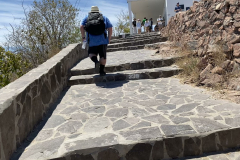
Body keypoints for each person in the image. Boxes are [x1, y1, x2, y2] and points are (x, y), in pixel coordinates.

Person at [80, 6, 113, 76]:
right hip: (103, 40)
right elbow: (110, 28)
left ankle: (96, 61)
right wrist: (109, 39)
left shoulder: (87, 17)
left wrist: (83, 37)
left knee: (91, 54)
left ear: (91, 11)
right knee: (102, 56)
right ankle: (102, 71)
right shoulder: (104, 17)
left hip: (91, 41)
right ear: (98, 11)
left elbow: (81, 26)